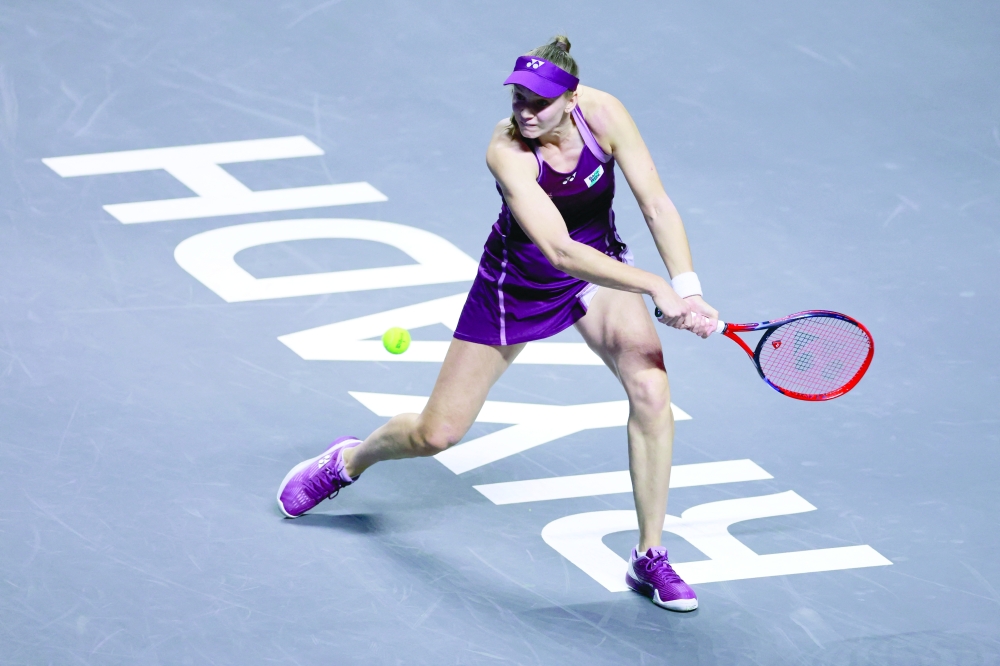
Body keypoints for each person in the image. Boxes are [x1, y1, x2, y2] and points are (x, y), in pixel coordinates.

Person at [277, 35, 718, 612]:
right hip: (519, 283)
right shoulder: (507, 149)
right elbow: (557, 250)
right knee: (437, 434)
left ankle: (649, 556)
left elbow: (655, 203)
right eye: (517, 101)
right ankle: (349, 460)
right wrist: (654, 285)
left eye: (539, 103)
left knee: (652, 389)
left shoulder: (605, 115)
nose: (525, 114)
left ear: (573, 98)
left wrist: (688, 287)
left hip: (599, 268)